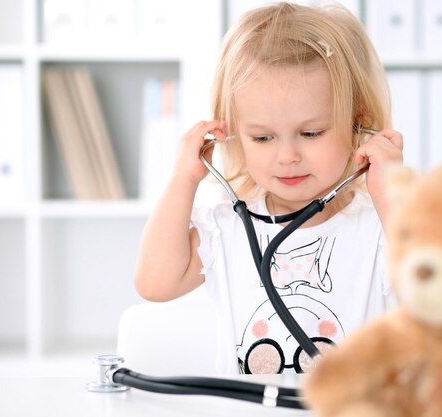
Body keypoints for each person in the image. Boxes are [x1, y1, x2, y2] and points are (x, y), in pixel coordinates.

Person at [134, 1, 403, 375]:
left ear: (359, 125)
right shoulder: (228, 226)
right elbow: (154, 283)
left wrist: (394, 198)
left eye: (311, 133)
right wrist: (183, 179)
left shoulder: (382, 228)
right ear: (231, 136)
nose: (287, 155)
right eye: (262, 137)